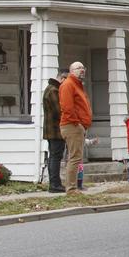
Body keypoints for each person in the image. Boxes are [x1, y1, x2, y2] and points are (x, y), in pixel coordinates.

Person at [59, 61, 92, 195]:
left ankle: (73, 187)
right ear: (71, 71)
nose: (82, 70)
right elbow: (67, 107)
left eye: (83, 67)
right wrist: (77, 124)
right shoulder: (68, 84)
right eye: (78, 68)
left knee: (76, 157)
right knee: (74, 158)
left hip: (77, 126)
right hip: (72, 125)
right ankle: (71, 189)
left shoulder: (77, 85)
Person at [42, 70, 68, 193]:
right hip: (55, 130)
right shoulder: (53, 90)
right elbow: (59, 111)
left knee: (55, 156)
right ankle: (55, 184)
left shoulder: (51, 89)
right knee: (55, 157)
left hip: (53, 129)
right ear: (62, 78)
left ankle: (55, 183)